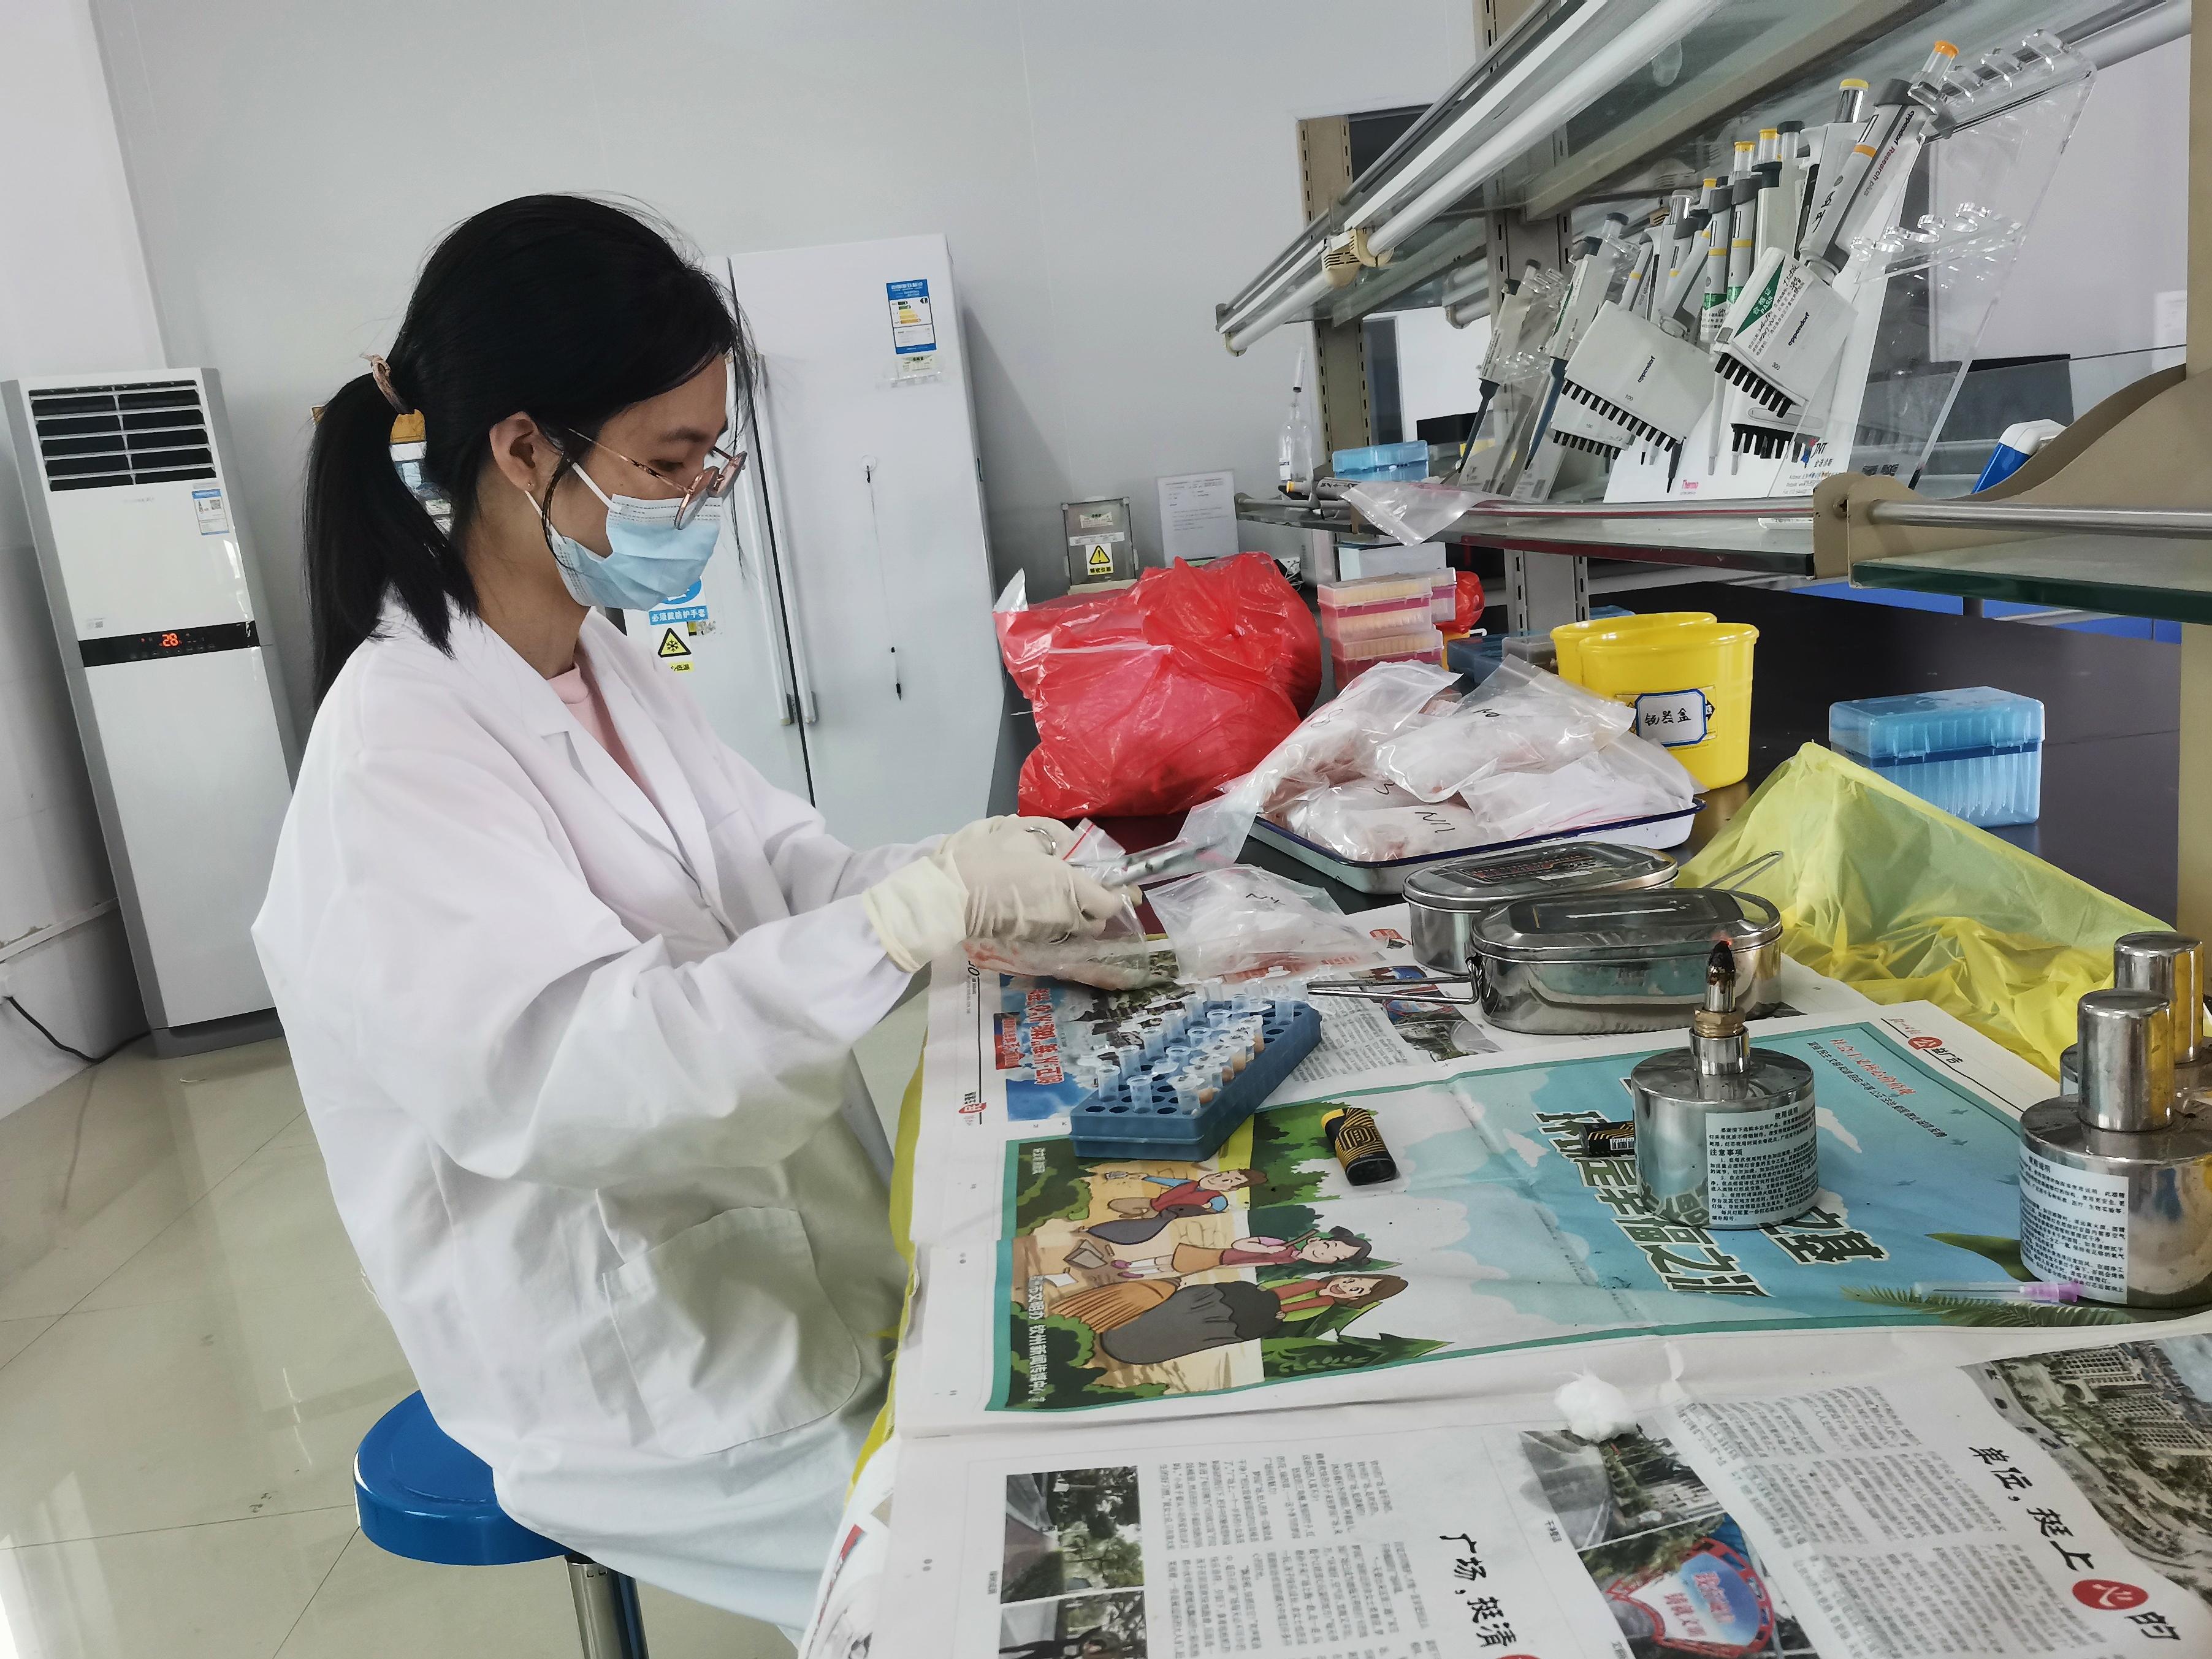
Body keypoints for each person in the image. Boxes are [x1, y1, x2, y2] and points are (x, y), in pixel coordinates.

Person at [251, 196, 1119, 1630]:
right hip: (643, 1370)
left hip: (785, 1265)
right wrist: (903, 921)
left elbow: (777, 871)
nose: (700, 494)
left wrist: (961, 867)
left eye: (712, 454)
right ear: (521, 449)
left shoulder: (598, 662)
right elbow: (581, 1075)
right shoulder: (398, 747)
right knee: (1018, 1593)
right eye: (667, 460)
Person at [1089, 1273, 1406, 1367]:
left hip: (1250, 1317)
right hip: (1238, 1299)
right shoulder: (1310, 1281)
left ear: (1354, 1299)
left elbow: (1296, 1311)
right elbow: (1280, 1287)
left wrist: (1279, 1314)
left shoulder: (1323, 1304)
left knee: (1193, 1329)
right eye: (1352, 1280)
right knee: (1180, 1310)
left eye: (1356, 1290)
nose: (1348, 1286)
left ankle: (1134, 1343)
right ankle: (1123, 1328)